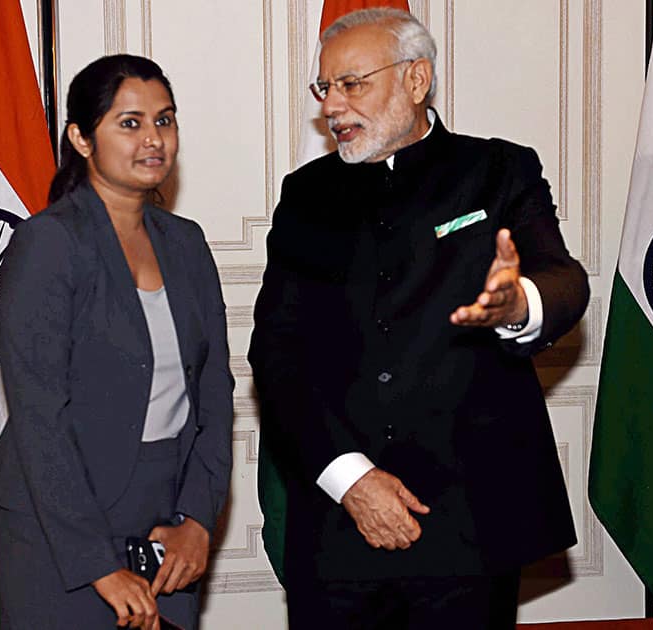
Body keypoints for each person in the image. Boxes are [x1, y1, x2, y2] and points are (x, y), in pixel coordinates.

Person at [248, 8, 589, 629]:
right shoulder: (305, 195)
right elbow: (275, 353)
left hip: (469, 524)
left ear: (415, 80)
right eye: (325, 89)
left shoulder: (497, 170)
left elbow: (563, 279)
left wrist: (520, 305)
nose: (333, 106)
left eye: (353, 84)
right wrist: (350, 479)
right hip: (338, 525)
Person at [0, 54, 234, 630]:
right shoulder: (48, 242)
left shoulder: (187, 243)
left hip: (165, 523)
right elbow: (38, 418)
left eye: (165, 121)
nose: (154, 139)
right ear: (81, 137)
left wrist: (198, 519)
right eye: (130, 123)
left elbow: (215, 393)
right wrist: (97, 565)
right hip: (59, 528)